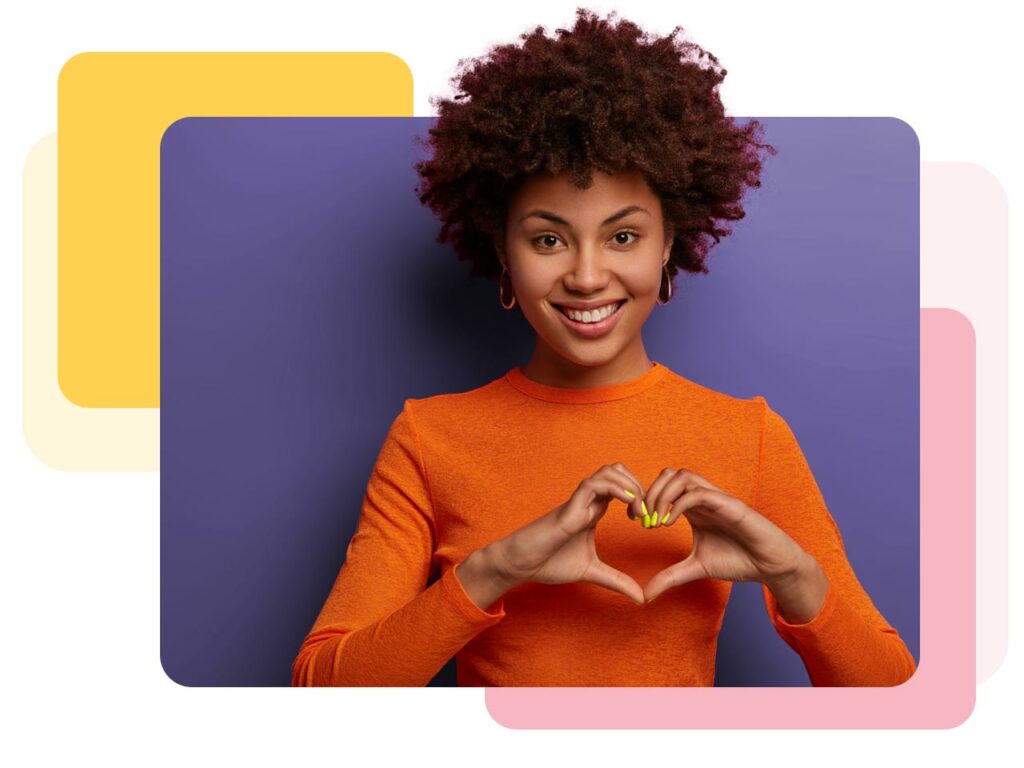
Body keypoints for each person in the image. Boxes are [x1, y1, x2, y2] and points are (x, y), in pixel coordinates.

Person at [291, 8, 917, 687]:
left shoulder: (750, 438)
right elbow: (322, 688)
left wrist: (794, 576)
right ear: (504, 251)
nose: (587, 276)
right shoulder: (429, 440)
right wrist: (491, 573)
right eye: (549, 239)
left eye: (623, 236)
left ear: (668, 245)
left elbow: (897, 698)